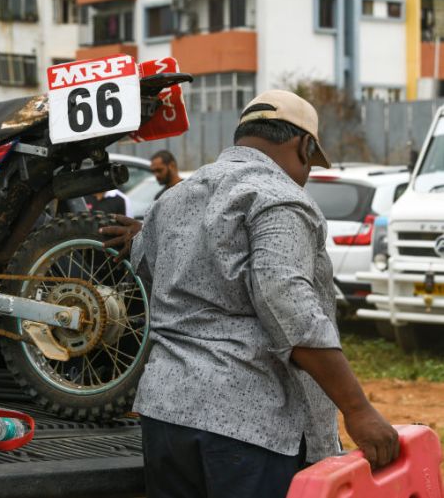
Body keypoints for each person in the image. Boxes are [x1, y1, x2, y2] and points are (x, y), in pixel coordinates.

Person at [101, 90, 399, 498]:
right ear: (305, 144)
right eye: (310, 162)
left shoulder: (174, 199)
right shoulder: (279, 197)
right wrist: (358, 409)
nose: (306, 173)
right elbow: (287, 302)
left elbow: (149, 273)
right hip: (249, 427)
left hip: (166, 414)